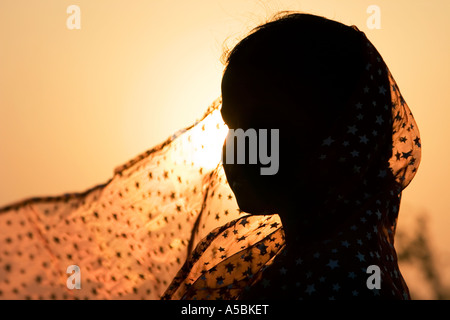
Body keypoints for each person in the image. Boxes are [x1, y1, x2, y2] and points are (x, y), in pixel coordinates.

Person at [163, 12, 421, 300]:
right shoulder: (316, 264)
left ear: (343, 137)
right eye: (230, 125)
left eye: (261, 124)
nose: (237, 145)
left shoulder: (339, 283)